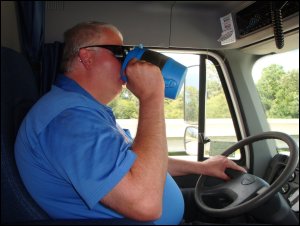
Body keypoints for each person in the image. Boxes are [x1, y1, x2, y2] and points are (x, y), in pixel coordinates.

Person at [15, 21, 246, 225]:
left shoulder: (88, 110)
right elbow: (145, 205)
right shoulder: (69, 122)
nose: (129, 60)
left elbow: (137, 163)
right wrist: (152, 97)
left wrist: (202, 167)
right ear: (86, 56)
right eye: (120, 52)